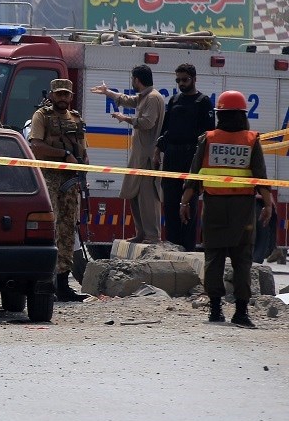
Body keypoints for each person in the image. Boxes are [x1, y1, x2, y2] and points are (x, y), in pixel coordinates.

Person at [179, 90, 273, 328]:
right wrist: (268, 205)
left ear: (219, 115)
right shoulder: (251, 140)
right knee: (243, 260)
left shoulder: (208, 139)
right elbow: (261, 176)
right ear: (243, 114)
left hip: (214, 208)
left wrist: (184, 202)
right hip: (243, 210)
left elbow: (194, 174)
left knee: (214, 258)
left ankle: (215, 310)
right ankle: (241, 313)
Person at [28, 79, 89, 302]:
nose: (62, 98)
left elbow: (82, 149)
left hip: (70, 181)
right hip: (50, 178)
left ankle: (63, 284)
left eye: (66, 94)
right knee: (49, 229)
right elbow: (36, 146)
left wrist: (82, 170)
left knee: (67, 230)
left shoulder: (76, 118)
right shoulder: (42, 116)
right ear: (52, 95)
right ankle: (46, 282)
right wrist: (64, 156)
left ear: (71, 96)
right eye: (59, 94)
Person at [91, 65, 165, 243]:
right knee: (133, 194)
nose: (132, 82)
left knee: (148, 198)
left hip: (147, 157)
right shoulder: (144, 97)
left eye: (133, 79)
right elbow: (127, 100)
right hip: (138, 156)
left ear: (137, 80)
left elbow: (147, 123)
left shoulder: (153, 98)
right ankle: (141, 233)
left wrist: (125, 118)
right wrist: (107, 92)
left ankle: (152, 236)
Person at [156, 63, 214, 251]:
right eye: (178, 80)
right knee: (171, 205)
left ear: (194, 79)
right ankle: (172, 247)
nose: (181, 83)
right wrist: (158, 151)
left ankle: (188, 249)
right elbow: (165, 130)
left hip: (191, 157)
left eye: (185, 80)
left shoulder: (203, 102)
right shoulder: (174, 100)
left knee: (188, 205)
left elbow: (208, 135)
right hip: (172, 155)